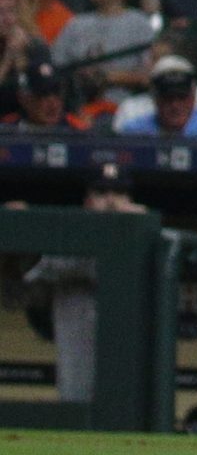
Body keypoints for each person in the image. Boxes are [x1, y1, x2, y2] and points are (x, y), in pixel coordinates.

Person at [26, 162, 144, 403]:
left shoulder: (148, 234)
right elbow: (36, 281)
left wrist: (136, 229)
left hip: (129, 340)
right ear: (87, 201)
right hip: (78, 332)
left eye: (120, 194)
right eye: (101, 193)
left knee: (128, 402)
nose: (111, 201)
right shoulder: (69, 237)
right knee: (77, 397)